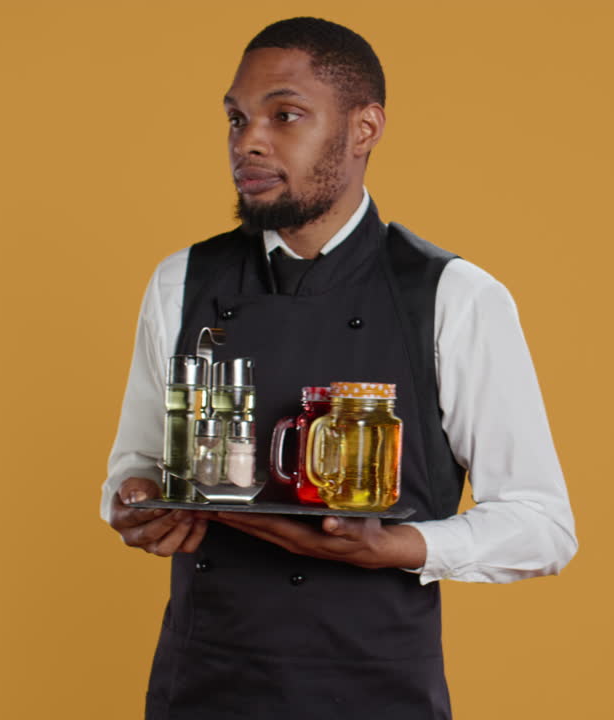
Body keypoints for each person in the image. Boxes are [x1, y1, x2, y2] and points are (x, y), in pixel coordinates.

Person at [103, 17, 577, 719]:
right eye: (236, 119)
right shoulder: (180, 282)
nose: (249, 141)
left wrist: (400, 546)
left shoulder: (453, 296)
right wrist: (135, 502)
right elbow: (132, 467)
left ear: (365, 128)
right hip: (203, 683)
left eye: (284, 115)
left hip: (372, 687)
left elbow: (543, 524)